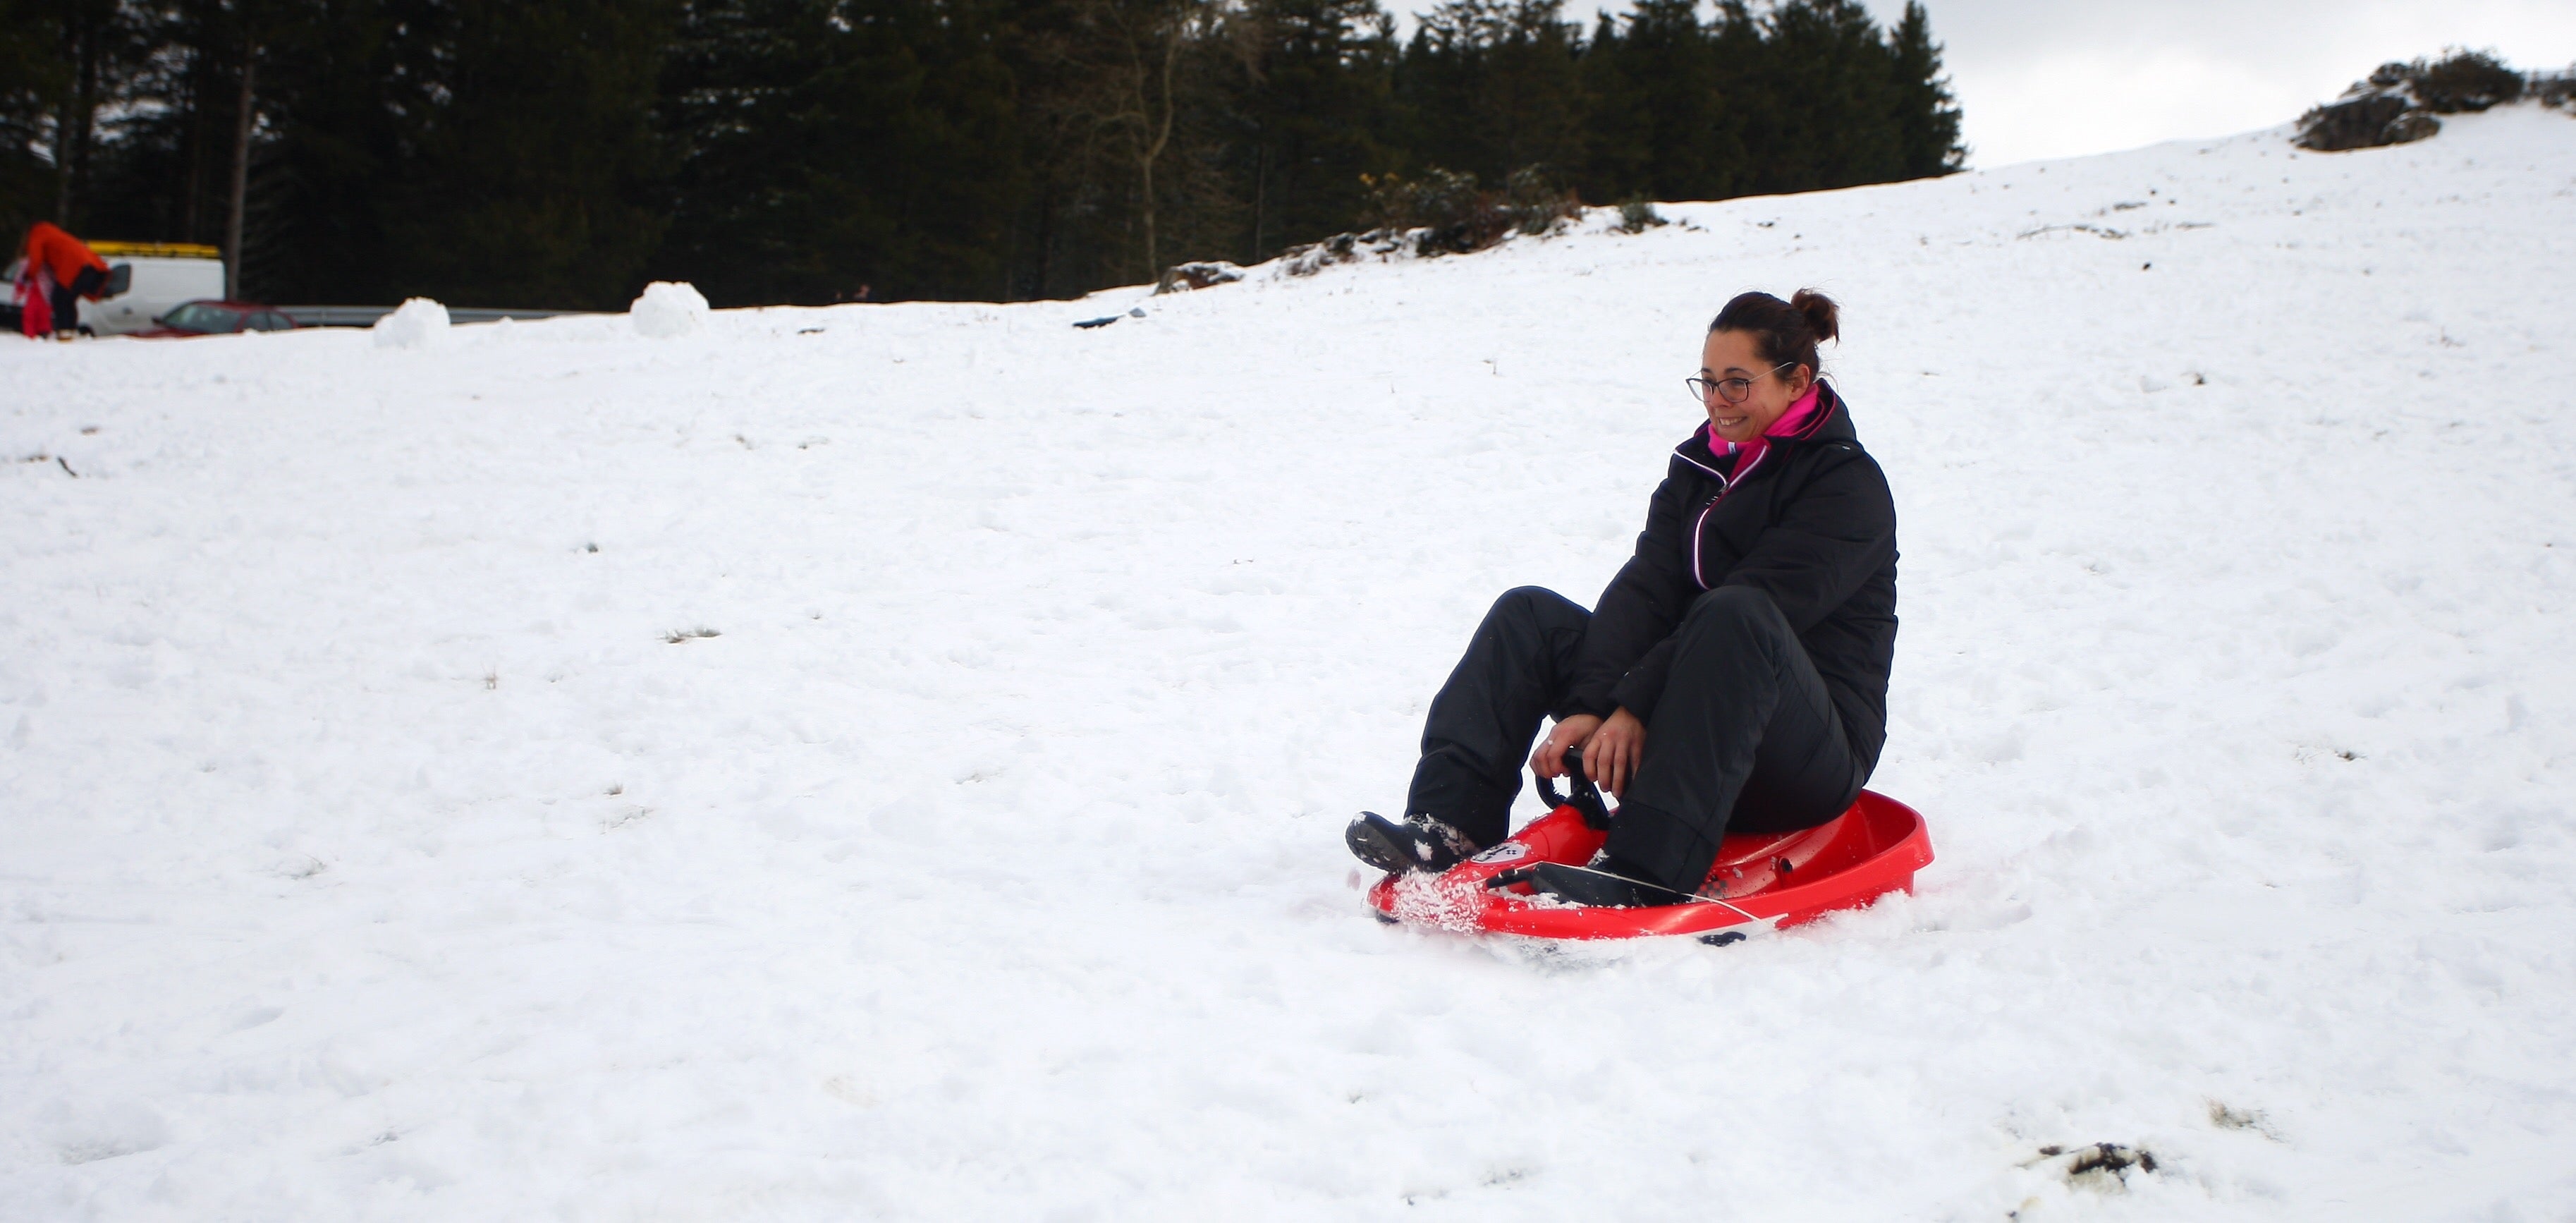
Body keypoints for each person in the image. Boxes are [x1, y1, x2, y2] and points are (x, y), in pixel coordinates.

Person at [1345, 290, 1898, 907]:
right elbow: (1647, 587)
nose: (1716, 400)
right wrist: (1592, 704)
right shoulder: (1701, 467)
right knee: (1528, 616)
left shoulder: (1845, 486)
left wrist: (1633, 705)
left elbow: (1758, 608)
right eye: (1707, 381)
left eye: (1736, 383)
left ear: (1796, 382)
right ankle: (1448, 826)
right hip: (1695, 722)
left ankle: (1645, 866)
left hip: (1802, 758)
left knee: (1734, 612)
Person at [19, 221, 111, 339]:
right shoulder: (54, 233)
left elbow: (36, 260)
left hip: (72, 267)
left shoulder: (37, 235)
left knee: (59, 298)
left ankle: (65, 331)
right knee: (69, 300)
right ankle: (71, 330)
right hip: (92, 266)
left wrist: (27, 276)